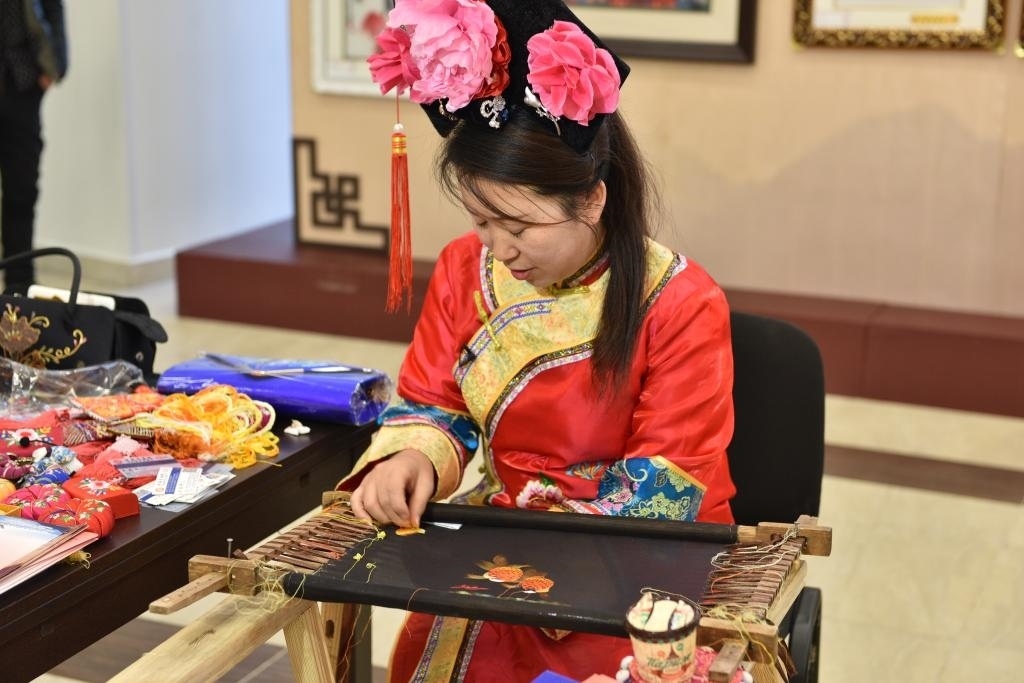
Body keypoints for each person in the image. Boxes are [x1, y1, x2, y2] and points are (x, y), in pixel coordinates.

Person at [340, 0, 736, 679]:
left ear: (592, 200)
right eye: (482, 222)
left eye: (519, 227)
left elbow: (664, 485)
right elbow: (434, 405)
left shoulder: (681, 302)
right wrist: (411, 459)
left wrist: (532, 555)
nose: (500, 249)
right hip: (503, 548)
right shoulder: (465, 270)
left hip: (636, 566)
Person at [0, 0, 67, 295]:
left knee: (22, 190)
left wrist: (56, 66)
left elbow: (53, 8)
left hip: (21, 87)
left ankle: (19, 288)